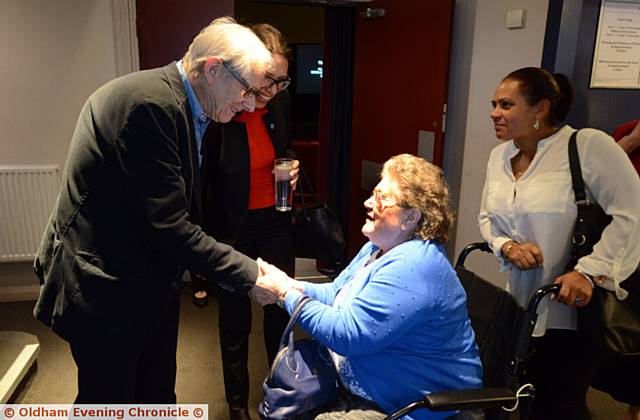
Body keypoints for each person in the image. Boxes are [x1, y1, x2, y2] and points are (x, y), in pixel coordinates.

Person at [32, 17, 277, 403]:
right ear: (213, 69)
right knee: (110, 403)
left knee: (156, 395)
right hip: (105, 290)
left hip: (142, 282)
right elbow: (168, 226)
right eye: (247, 90)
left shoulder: (187, 105)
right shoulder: (150, 106)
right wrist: (251, 275)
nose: (248, 104)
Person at [255, 154, 483, 420]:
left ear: (410, 217)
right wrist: (288, 283)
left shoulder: (416, 266)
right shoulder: (378, 247)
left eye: (382, 198)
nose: (367, 202)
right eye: (374, 193)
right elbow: (335, 293)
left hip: (417, 405)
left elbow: (347, 334)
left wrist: (284, 295)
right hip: (374, 383)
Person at [478, 67, 640, 419]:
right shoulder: (500, 157)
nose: (494, 113)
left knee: (559, 402)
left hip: (575, 309)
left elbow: (632, 214)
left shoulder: (587, 146)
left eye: (506, 104)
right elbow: (487, 219)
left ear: (541, 109)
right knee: (521, 394)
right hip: (520, 302)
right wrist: (506, 246)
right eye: (494, 104)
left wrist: (589, 271)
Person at [193, 23, 299, 420]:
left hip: (275, 219)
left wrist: (290, 166)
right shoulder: (223, 107)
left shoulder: (280, 104)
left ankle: (283, 391)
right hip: (233, 226)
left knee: (281, 311)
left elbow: (284, 148)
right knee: (235, 316)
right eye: (267, 80)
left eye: (281, 82)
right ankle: (237, 404)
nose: (271, 91)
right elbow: (204, 180)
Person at [592, 119, 640, 420]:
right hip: (625, 250)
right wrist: (633, 140)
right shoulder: (627, 131)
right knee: (622, 333)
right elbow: (599, 179)